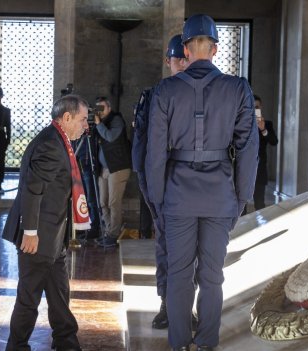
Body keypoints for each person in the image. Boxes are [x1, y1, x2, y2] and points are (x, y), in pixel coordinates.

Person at [145, 14, 259, 351]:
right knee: (212, 276)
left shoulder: (166, 89)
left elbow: (155, 152)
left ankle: (179, 342)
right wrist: (241, 197)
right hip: (220, 195)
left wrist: (157, 198)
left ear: (185, 48)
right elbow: (249, 149)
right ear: (215, 48)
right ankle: (207, 342)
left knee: (179, 275)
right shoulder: (238, 88)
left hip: (177, 195)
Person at [2, 94, 89, 351]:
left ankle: (67, 343)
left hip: (53, 237)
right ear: (67, 117)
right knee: (29, 299)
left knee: (59, 295)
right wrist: (30, 232)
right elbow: (33, 189)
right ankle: (16, 346)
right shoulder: (52, 144)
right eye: (83, 120)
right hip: (38, 238)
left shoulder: (58, 140)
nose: (86, 126)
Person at [132, 34, 190, 330]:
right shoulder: (154, 95)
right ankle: (168, 305)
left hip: (195, 186)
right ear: (168, 62)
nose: (181, 63)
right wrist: (152, 191)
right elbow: (142, 149)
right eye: (176, 58)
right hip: (165, 186)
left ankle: (185, 307)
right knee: (168, 245)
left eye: (185, 57)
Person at [92, 97, 132, 248]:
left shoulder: (116, 120)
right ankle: (109, 231)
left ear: (109, 108)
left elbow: (110, 136)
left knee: (113, 203)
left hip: (118, 167)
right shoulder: (100, 123)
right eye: (97, 109)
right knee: (103, 202)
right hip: (104, 168)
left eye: (102, 108)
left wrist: (98, 123)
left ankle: (114, 235)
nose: (100, 112)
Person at [253, 95, 278, 210]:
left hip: (260, 169)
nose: (254, 110)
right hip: (242, 170)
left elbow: (274, 141)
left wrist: (263, 130)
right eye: (252, 107)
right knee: (240, 205)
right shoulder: (240, 124)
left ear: (261, 107)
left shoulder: (267, 124)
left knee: (259, 203)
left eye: (256, 107)